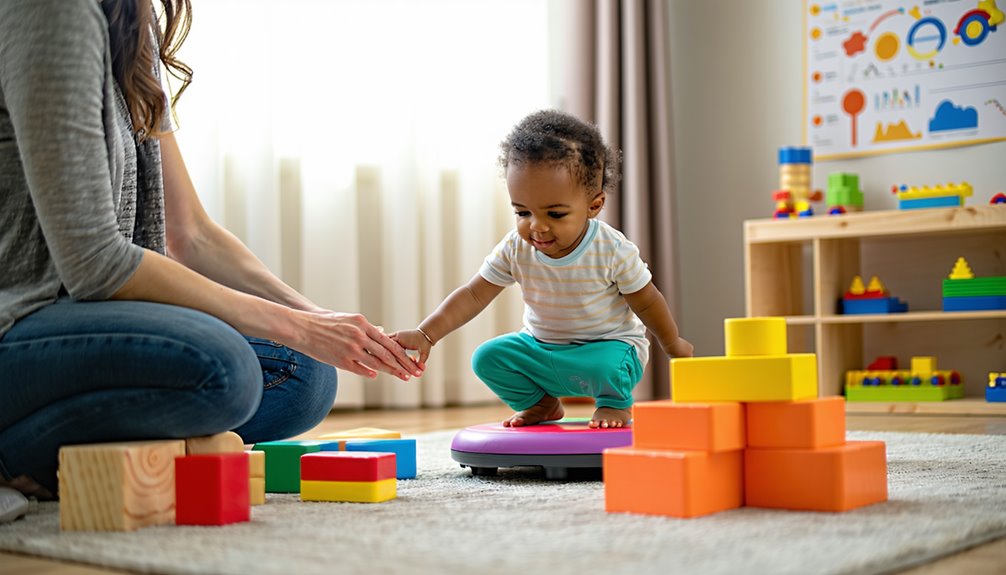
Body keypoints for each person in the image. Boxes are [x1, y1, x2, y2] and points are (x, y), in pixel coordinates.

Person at [0, 0, 421, 499]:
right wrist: (297, 325)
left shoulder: (130, 23)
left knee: (305, 374)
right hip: (22, 322)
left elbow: (191, 231)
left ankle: (119, 451)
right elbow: (96, 264)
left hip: (91, 325)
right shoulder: (53, 10)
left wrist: (321, 321)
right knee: (226, 370)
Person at [392, 110, 693, 429]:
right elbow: (473, 294)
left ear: (594, 205)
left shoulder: (611, 249)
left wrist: (672, 344)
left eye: (555, 214)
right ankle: (542, 405)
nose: (537, 226)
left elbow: (646, 300)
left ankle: (614, 404)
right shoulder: (515, 247)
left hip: (606, 352)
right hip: (541, 351)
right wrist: (427, 333)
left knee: (609, 365)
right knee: (488, 358)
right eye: (522, 212)